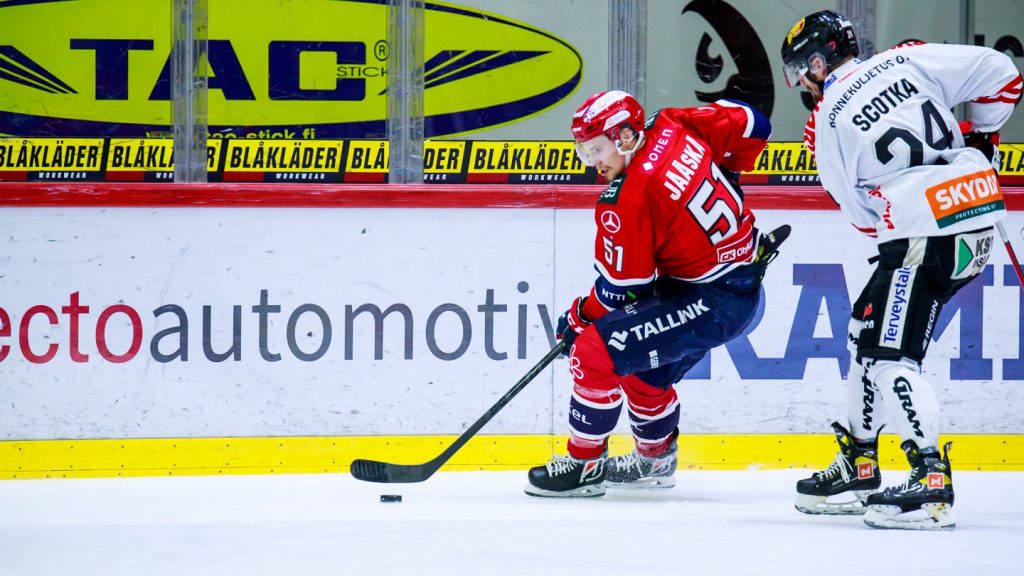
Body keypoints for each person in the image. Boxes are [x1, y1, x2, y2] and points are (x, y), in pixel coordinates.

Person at [780, 10, 1022, 530]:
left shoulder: (825, 120)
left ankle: (931, 481)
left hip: (919, 235)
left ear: (818, 63)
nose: (803, 82)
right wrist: (982, 139)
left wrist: (903, 213)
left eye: (801, 70)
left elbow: (859, 214)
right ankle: (861, 462)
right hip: (973, 219)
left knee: (891, 356)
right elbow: (1004, 73)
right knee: (864, 329)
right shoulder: (905, 60)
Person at [524, 90, 787, 498]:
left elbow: (623, 289)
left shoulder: (629, 195)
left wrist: (579, 316)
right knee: (640, 364)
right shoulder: (674, 124)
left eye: (597, 149)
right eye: (584, 151)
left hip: (713, 299)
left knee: (593, 352)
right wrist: (730, 173)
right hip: (735, 284)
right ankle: (655, 459)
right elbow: (755, 124)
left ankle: (584, 465)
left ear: (626, 137)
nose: (592, 162)